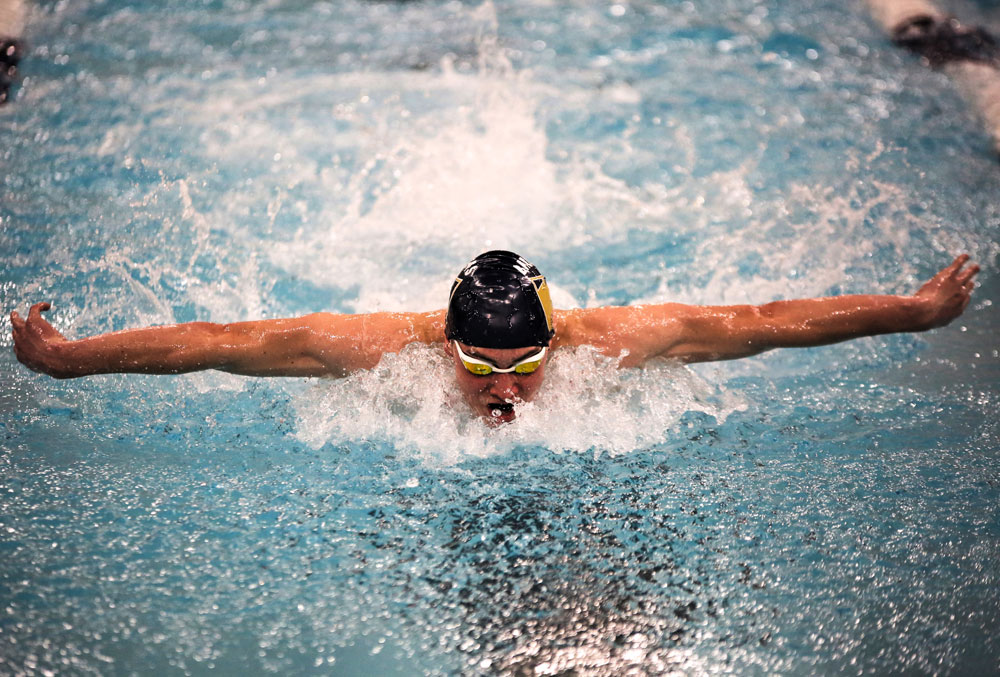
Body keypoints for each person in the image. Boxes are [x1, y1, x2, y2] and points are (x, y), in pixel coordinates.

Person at [11, 250, 980, 425]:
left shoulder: (612, 343)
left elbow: (761, 325)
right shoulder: (381, 347)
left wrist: (909, 309)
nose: (502, 391)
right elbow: (220, 340)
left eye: (523, 365)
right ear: (447, 343)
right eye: (480, 366)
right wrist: (69, 356)